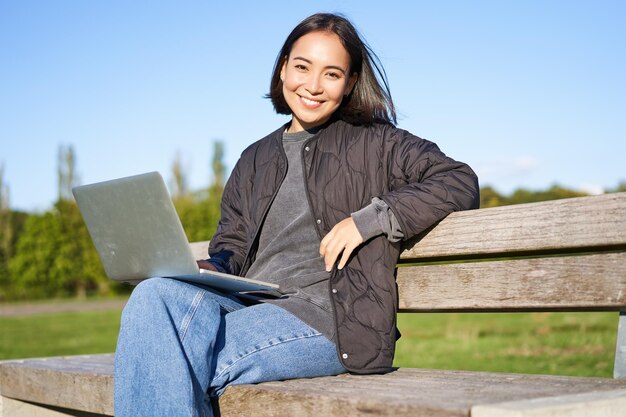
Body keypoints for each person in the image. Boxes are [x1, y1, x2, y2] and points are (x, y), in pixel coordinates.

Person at [114, 12, 479, 417]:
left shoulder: (377, 143)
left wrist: (368, 221)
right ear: (284, 66)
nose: (313, 85)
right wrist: (204, 268)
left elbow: (458, 180)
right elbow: (232, 246)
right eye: (302, 67)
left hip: (331, 319)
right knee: (153, 295)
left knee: (166, 362)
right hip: (251, 306)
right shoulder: (254, 158)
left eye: (332, 74)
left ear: (351, 82)